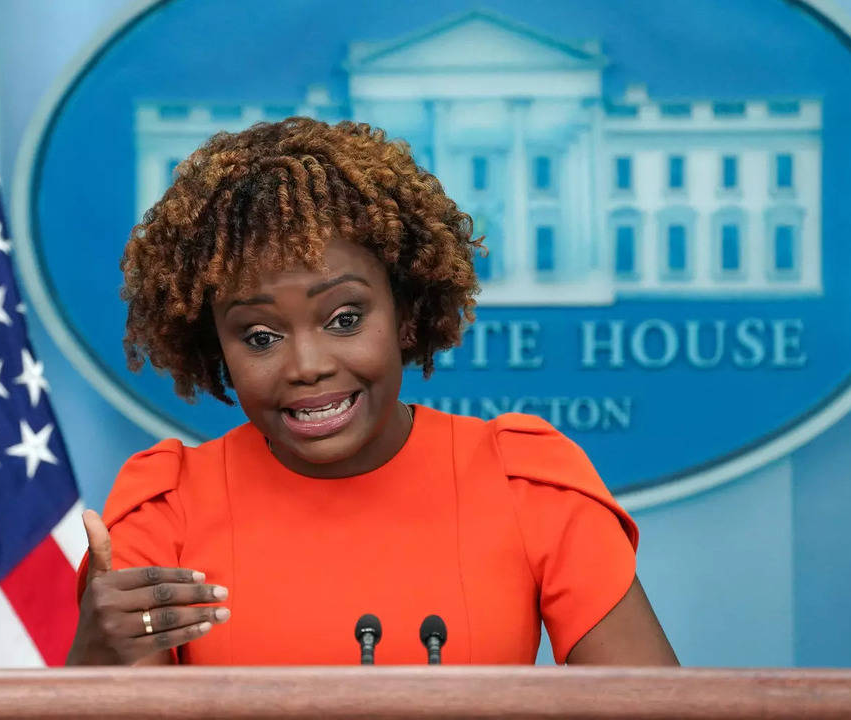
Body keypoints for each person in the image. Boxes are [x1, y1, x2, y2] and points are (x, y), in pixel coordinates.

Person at [67, 117, 678, 667]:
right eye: (259, 336)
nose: (306, 366)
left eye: (345, 319)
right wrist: (96, 652)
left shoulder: (526, 481)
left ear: (406, 314)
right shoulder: (166, 508)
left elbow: (661, 713)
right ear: (217, 350)